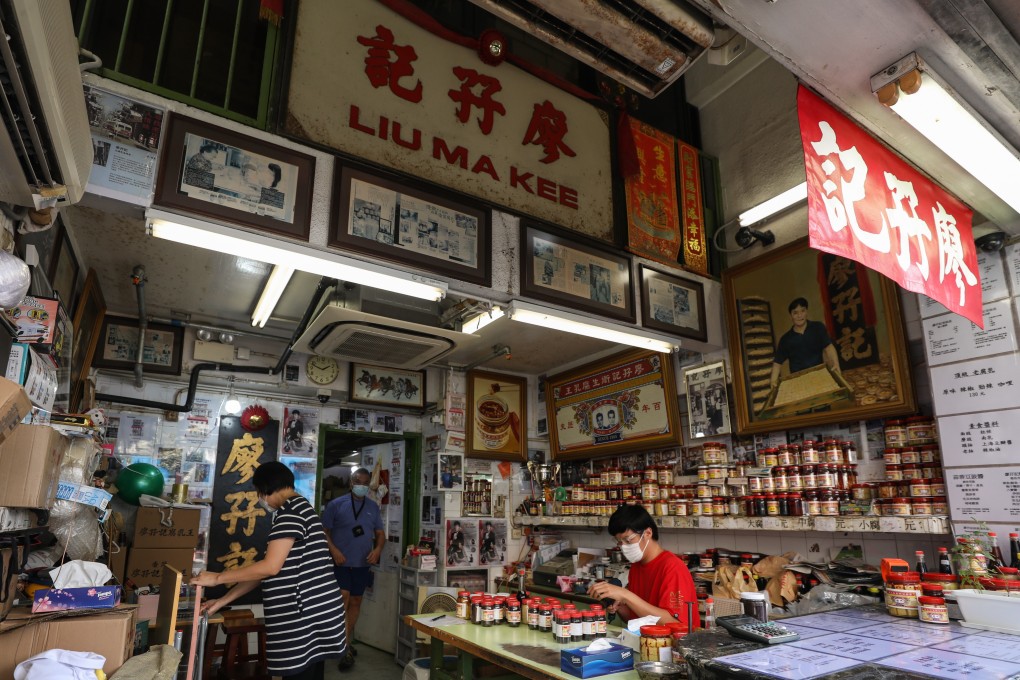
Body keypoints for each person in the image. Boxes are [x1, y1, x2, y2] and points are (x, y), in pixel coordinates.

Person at [192, 462, 346, 680]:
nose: (259, 498)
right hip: (316, 611)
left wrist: (217, 578)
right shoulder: (301, 508)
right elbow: (266, 570)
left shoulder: (290, 514)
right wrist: (222, 601)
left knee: (300, 675)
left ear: (266, 488)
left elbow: (270, 567)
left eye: (258, 492)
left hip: (304, 616)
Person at [588, 504, 699, 631]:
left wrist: (625, 595)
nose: (623, 547)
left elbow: (676, 625)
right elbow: (637, 618)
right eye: (619, 542)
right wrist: (619, 606)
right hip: (647, 643)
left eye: (628, 540)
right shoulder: (636, 566)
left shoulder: (673, 568)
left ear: (647, 533)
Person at [321, 467, 384, 671]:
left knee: (356, 601)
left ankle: (345, 643)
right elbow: (324, 531)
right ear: (351, 482)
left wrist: (378, 550)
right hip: (340, 562)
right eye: (359, 482)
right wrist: (334, 550)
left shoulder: (373, 507)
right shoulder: (335, 505)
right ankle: (339, 644)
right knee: (343, 597)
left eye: (366, 483)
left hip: (362, 563)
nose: (362, 486)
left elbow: (380, 534)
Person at [770, 297, 839, 387]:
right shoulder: (786, 339)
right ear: (791, 316)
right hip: (799, 381)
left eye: (802, 311)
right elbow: (777, 363)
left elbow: (829, 347)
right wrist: (773, 381)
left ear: (806, 312)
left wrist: (836, 364)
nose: (800, 315)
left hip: (820, 375)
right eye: (795, 313)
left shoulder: (818, 327)